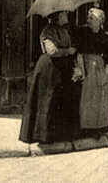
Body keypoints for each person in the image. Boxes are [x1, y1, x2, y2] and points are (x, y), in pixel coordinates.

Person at [19, 10, 79, 144]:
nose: (66, 16)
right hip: (49, 69)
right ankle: (43, 135)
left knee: (61, 100)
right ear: (57, 17)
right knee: (47, 99)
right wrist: (68, 51)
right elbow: (52, 51)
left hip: (62, 69)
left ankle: (60, 134)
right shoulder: (47, 32)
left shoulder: (64, 30)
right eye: (63, 14)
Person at [76, 7, 108, 137]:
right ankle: (87, 127)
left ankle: (100, 126)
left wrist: (105, 73)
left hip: (99, 67)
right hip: (86, 66)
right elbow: (79, 53)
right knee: (87, 97)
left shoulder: (106, 36)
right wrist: (82, 70)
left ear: (100, 21)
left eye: (91, 18)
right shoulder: (83, 32)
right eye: (88, 18)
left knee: (100, 97)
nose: (88, 20)